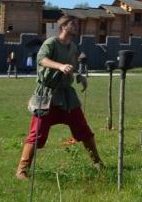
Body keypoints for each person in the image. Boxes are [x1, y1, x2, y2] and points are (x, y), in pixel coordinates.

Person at [15, 15, 102, 180]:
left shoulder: (73, 47)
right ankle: (21, 170)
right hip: (47, 95)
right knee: (37, 132)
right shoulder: (51, 43)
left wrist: (79, 76)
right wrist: (59, 66)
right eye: (72, 24)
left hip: (67, 96)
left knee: (83, 129)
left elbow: (71, 67)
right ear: (63, 26)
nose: (76, 26)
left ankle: (97, 162)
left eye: (77, 24)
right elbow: (42, 60)